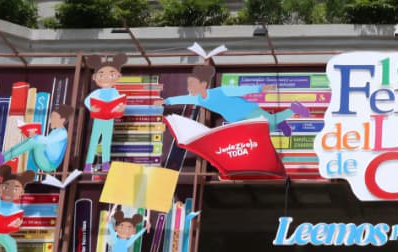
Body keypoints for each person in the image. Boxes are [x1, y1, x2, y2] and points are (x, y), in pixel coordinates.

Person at [156, 65, 311, 135]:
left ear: (203, 85)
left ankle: (293, 109)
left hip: (248, 110)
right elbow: (183, 98)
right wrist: (166, 101)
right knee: (266, 128)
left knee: (270, 122)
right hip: (236, 119)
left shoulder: (221, 91)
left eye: (192, 84)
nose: (189, 88)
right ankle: (281, 123)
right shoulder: (199, 100)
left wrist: (261, 88)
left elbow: (241, 90)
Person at [83, 53, 128, 172]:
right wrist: (92, 108)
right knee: (93, 141)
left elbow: (119, 103)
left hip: (109, 120)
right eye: (101, 74)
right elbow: (87, 101)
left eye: (111, 74)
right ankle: (88, 164)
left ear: (118, 76)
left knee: (106, 142)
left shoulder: (115, 92)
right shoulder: (96, 93)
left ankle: (105, 164)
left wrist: (120, 108)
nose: (106, 78)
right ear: (94, 77)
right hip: (98, 119)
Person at [2, 103, 72, 171]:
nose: (51, 120)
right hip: (46, 158)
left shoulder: (63, 133)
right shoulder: (56, 131)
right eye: (51, 117)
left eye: (54, 117)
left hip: (49, 164)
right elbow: (45, 142)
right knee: (33, 140)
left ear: (62, 120)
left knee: (34, 141)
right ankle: (3, 157)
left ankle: (3, 158)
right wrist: (29, 135)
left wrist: (35, 136)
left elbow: (47, 141)